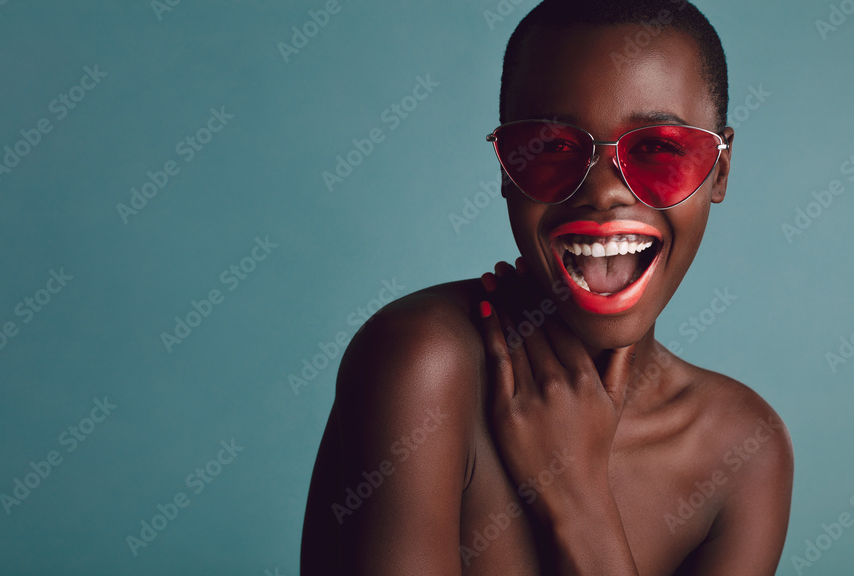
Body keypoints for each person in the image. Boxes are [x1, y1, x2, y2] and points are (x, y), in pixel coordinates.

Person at [300, 0, 793, 573]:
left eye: (658, 148)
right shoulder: (423, 364)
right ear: (507, 170)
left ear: (721, 170)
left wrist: (578, 499)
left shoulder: (744, 448)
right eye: (553, 147)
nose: (605, 193)